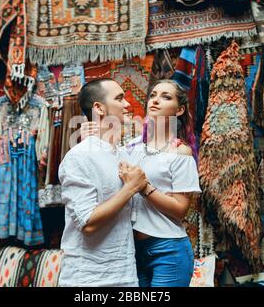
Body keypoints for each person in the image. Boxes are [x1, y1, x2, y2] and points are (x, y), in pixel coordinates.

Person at [83, 79, 201, 287]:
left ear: (179, 110)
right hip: (133, 251)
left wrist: (143, 186)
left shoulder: (181, 152)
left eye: (166, 97)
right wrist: (92, 137)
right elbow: (104, 162)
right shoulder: (133, 148)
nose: (155, 100)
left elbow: (181, 209)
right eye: (153, 95)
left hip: (168, 250)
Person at [58, 78, 148, 287]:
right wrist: (131, 188)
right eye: (119, 98)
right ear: (99, 108)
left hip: (125, 274)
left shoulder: (123, 154)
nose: (127, 104)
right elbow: (87, 222)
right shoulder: (79, 157)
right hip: (88, 278)